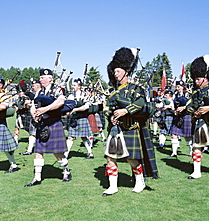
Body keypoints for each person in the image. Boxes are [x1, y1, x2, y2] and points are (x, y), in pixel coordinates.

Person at [102, 47, 158, 196]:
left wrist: (125, 111)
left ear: (126, 72)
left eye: (118, 71)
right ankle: (113, 187)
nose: (115, 74)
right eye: (114, 72)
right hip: (115, 130)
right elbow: (107, 107)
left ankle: (140, 182)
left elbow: (140, 103)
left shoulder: (135, 89)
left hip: (131, 128)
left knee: (132, 159)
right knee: (110, 158)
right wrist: (111, 116)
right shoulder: (112, 91)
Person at [24, 69, 72, 187]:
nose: (40, 79)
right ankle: (37, 178)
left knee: (58, 154)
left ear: (50, 78)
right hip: (42, 124)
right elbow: (33, 105)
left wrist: (45, 109)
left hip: (54, 123)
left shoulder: (56, 89)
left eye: (42, 78)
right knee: (38, 151)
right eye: (40, 78)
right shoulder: (39, 91)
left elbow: (60, 102)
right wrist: (34, 115)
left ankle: (66, 171)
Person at [65, 78, 94, 159]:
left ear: (79, 86)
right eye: (72, 85)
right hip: (73, 119)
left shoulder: (85, 96)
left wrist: (75, 109)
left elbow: (86, 106)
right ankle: (65, 155)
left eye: (74, 85)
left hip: (82, 118)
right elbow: (67, 106)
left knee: (84, 137)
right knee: (70, 137)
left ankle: (90, 153)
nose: (72, 87)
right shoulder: (71, 96)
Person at [169, 80, 193, 157]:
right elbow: (173, 104)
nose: (178, 88)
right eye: (177, 87)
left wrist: (184, 108)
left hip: (186, 115)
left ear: (183, 87)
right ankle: (174, 152)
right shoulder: (175, 94)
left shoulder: (188, 94)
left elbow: (192, 104)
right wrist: (174, 110)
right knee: (174, 134)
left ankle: (191, 151)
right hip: (178, 116)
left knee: (187, 136)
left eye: (179, 87)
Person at [19, 80, 41, 155]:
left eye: (33, 86)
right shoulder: (36, 93)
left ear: (38, 86)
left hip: (41, 116)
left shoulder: (42, 93)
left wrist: (31, 103)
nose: (32, 87)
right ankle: (29, 150)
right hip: (34, 115)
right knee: (32, 133)